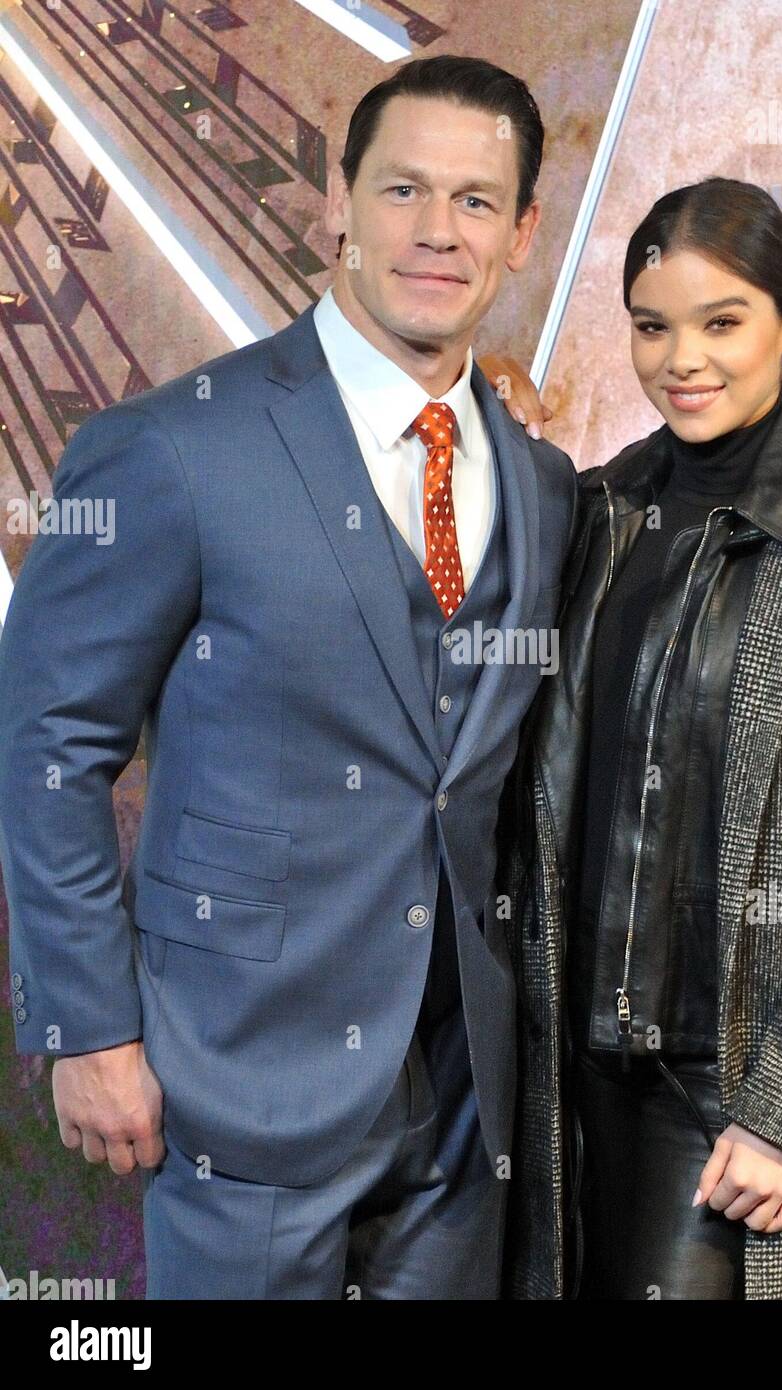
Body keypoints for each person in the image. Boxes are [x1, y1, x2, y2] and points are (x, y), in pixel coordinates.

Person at [0, 54, 577, 1299]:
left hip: (467, 1099)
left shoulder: (538, 483)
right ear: (337, 206)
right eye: (402, 191)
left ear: (523, 233)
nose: (437, 231)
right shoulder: (169, 449)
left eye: (477, 201)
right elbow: (47, 743)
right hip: (234, 1083)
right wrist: (86, 1027)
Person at [487, 177, 782, 1299]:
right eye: (651, 326)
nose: (680, 359)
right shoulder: (595, 515)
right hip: (557, 1076)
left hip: (725, 1097)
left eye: (721, 321)